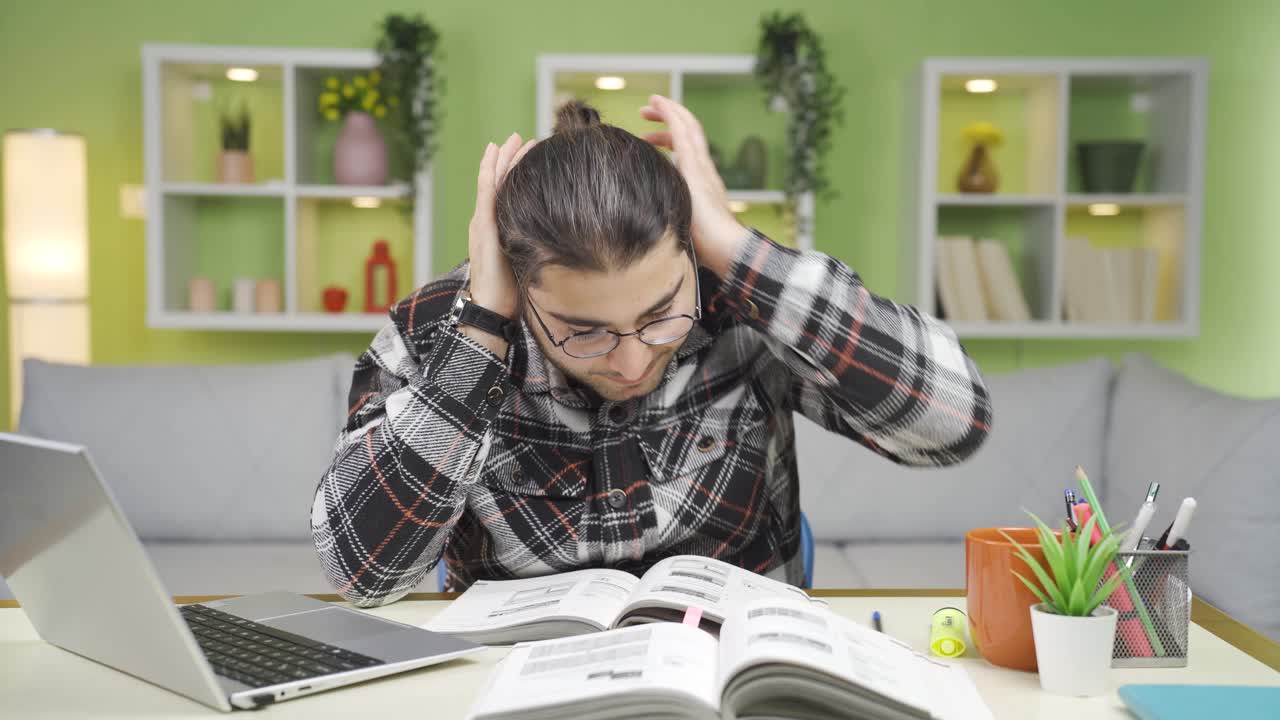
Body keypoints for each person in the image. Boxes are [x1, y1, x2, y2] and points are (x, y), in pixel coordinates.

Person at [311, 95, 992, 607]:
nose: (632, 363)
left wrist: (734, 246)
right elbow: (364, 577)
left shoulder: (734, 298)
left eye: (662, 315)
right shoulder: (442, 330)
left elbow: (953, 425)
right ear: (518, 285)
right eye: (584, 331)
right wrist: (482, 329)